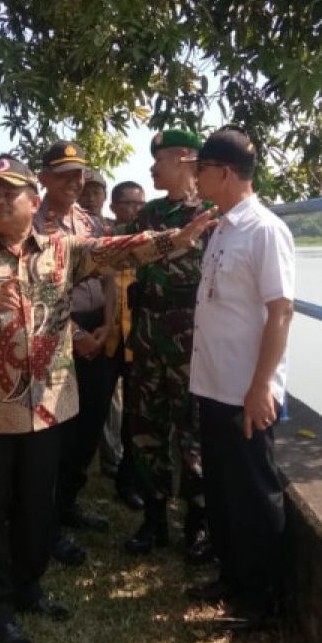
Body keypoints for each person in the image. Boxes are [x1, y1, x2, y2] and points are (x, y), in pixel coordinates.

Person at [0, 154, 216, 643]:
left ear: (34, 203)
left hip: (48, 408)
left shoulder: (64, 252)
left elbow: (119, 249)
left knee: (38, 506)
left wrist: (176, 239)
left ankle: (29, 587)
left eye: (7, 194)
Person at [185, 127, 296, 631]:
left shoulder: (264, 230)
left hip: (244, 389)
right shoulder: (223, 226)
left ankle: (261, 600)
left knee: (254, 493)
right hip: (212, 383)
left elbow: (281, 312)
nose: (195, 178)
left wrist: (260, 388)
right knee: (224, 489)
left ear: (224, 173)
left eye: (201, 170)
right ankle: (232, 578)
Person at [122, 130, 215, 565]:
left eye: (157, 160)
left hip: (191, 341)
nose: (151, 169)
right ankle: (154, 518)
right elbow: (128, 261)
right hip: (146, 335)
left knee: (192, 432)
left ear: (183, 158)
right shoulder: (151, 214)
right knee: (145, 428)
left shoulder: (212, 214)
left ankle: (199, 522)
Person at [32, 141, 115, 566]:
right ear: (43, 177)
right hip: (56, 343)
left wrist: (109, 325)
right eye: (63, 173)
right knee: (56, 439)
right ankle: (46, 527)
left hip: (98, 341)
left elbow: (111, 276)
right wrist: (78, 332)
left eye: (79, 173)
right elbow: (36, 293)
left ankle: (68, 505)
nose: (73, 181)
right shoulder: (33, 226)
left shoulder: (90, 221)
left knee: (87, 432)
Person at [102, 180, 148, 511]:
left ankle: (129, 481)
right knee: (93, 411)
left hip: (138, 340)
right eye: (128, 203)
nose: (135, 210)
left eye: (140, 203)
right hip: (105, 337)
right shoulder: (102, 239)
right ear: (114, 207)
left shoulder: (150, 241)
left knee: (135, 416)